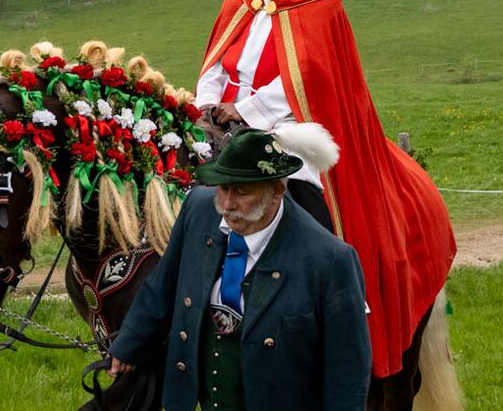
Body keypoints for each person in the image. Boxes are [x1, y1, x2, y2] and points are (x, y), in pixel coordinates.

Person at [196, 0, 457, 391]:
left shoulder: (322, 0)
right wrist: (210, 101)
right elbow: (216, 54)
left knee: (309, 198)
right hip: (225, 122)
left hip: (294, 122)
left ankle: (335, 299)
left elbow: (312, 77)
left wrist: (247, 111)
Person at [108, 128, 371, 411]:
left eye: (242, 192)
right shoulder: (198, 210)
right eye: (223, 188)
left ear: (277, 191)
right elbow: (163, 286)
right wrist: (129, 344)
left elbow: (348, 371)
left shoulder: (331, 260)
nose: (227, 204)